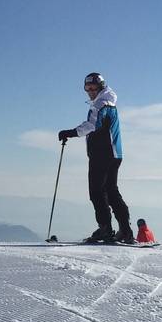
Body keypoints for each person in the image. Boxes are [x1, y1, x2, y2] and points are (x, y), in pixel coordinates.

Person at [58, 72, 133, 244]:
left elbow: (92, 125)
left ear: (101, 87)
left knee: (97, 192)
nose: (90, 92)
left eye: (93, 88)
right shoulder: (108, 103)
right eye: (87, 89)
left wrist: (70, 133)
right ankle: (125, 230)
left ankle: (105, 229)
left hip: (103, 155)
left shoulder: (102, 104)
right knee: (111, 191)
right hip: (114, 154)